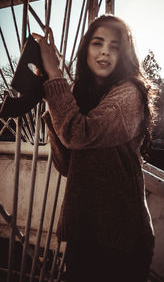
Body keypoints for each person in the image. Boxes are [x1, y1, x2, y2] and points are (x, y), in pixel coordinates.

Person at [33, 14, 157, 282]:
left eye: (115, 46)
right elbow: (67, 165)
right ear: (86, 49)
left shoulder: (129, 95)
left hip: (121, 242)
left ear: (124, 54)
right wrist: (50, 96)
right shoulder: (83, 97)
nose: (105, 51)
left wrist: (55, 77)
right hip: (85, 233)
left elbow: (78, 134)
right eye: (98, 43)